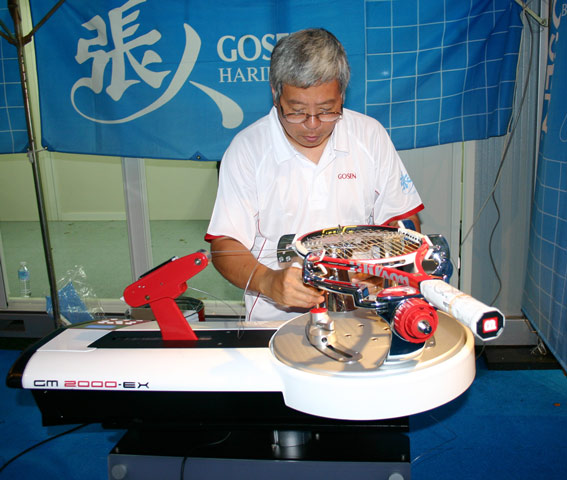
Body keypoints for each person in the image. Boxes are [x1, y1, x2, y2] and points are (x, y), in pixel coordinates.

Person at [205, 28, 423, 322]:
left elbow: (403, 222)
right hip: (276, 319)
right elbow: (225, 246)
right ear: (275, 92)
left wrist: (386, 270)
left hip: (364, 314)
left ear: (342, 94)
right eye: (295, 112)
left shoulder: (369, 136)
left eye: (326, 111)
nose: (311, 125)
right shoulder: (248, 150)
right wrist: (268, 282)